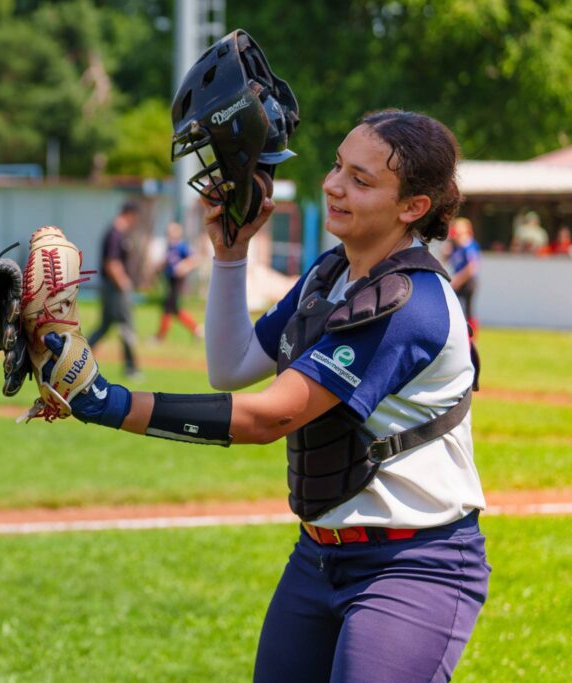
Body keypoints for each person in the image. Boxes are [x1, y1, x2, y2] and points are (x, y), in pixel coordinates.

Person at [36, 108, 488, 682]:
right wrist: (230, 256)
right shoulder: (333, 275)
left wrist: (111, 402)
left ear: (413, 207)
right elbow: (232, 367)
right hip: (318, 555)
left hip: (415, 565)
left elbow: (271, 416)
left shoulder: (410, 303)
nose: (333, 185)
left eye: (361, 179)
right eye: (337, 166)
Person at [87, 201, 142, 379]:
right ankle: (131, 367)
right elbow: (111, 263)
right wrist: (124, 283)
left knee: (105, 326)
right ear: (129, 215)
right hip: (115, 288)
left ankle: (80, 356)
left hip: (112, 287)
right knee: (126, 326)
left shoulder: (118, 234)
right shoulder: (114, 234)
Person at [153, 221, 202, 342]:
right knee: (174, 309)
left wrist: (184, 266)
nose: (168, 233)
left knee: (168, 307)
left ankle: (160, 337)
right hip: (169, 280)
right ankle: (196, 329)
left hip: (177, 281)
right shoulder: (169, 247)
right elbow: (167, 261)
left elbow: (194, 259)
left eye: (171, 231)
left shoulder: (182, 246)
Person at [448, 216, 481, 337]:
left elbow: (472, 267)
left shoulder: (469, 245)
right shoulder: (455, 246)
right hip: (458, 281)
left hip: (467, 282)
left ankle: (471, 337)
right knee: (453, 309)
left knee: (468, 310)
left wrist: (458, 280)